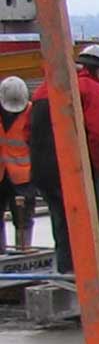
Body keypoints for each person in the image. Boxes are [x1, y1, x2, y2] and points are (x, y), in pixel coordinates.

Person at [28, 44, 99, 274]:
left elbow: (29, 131)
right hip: (76, 168)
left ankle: (67, 268)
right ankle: (97, 268)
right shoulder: (96, 90)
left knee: (61, 219)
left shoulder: (44, 89)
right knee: (93, 216)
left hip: (43, 171)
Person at [0, 76, 33, 252]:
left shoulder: (31, 113)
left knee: (23, 219)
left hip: (23, 177)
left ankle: (24, 254)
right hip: (1, 174)